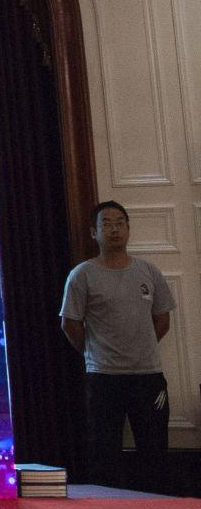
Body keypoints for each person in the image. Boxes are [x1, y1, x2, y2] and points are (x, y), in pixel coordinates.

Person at [60, 201, 173, 492]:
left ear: (128, 229)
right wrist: (94, 352)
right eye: (106, 224)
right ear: (94, 233)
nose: (114, 229)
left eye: (120, 223)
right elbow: (70, 324)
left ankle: (156, 508)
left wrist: (138, 348)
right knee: (104, 452)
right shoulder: (82, 274)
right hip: (103, 378)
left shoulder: (149, 272)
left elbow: (162, 320)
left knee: (154, 451)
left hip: (148, 377)